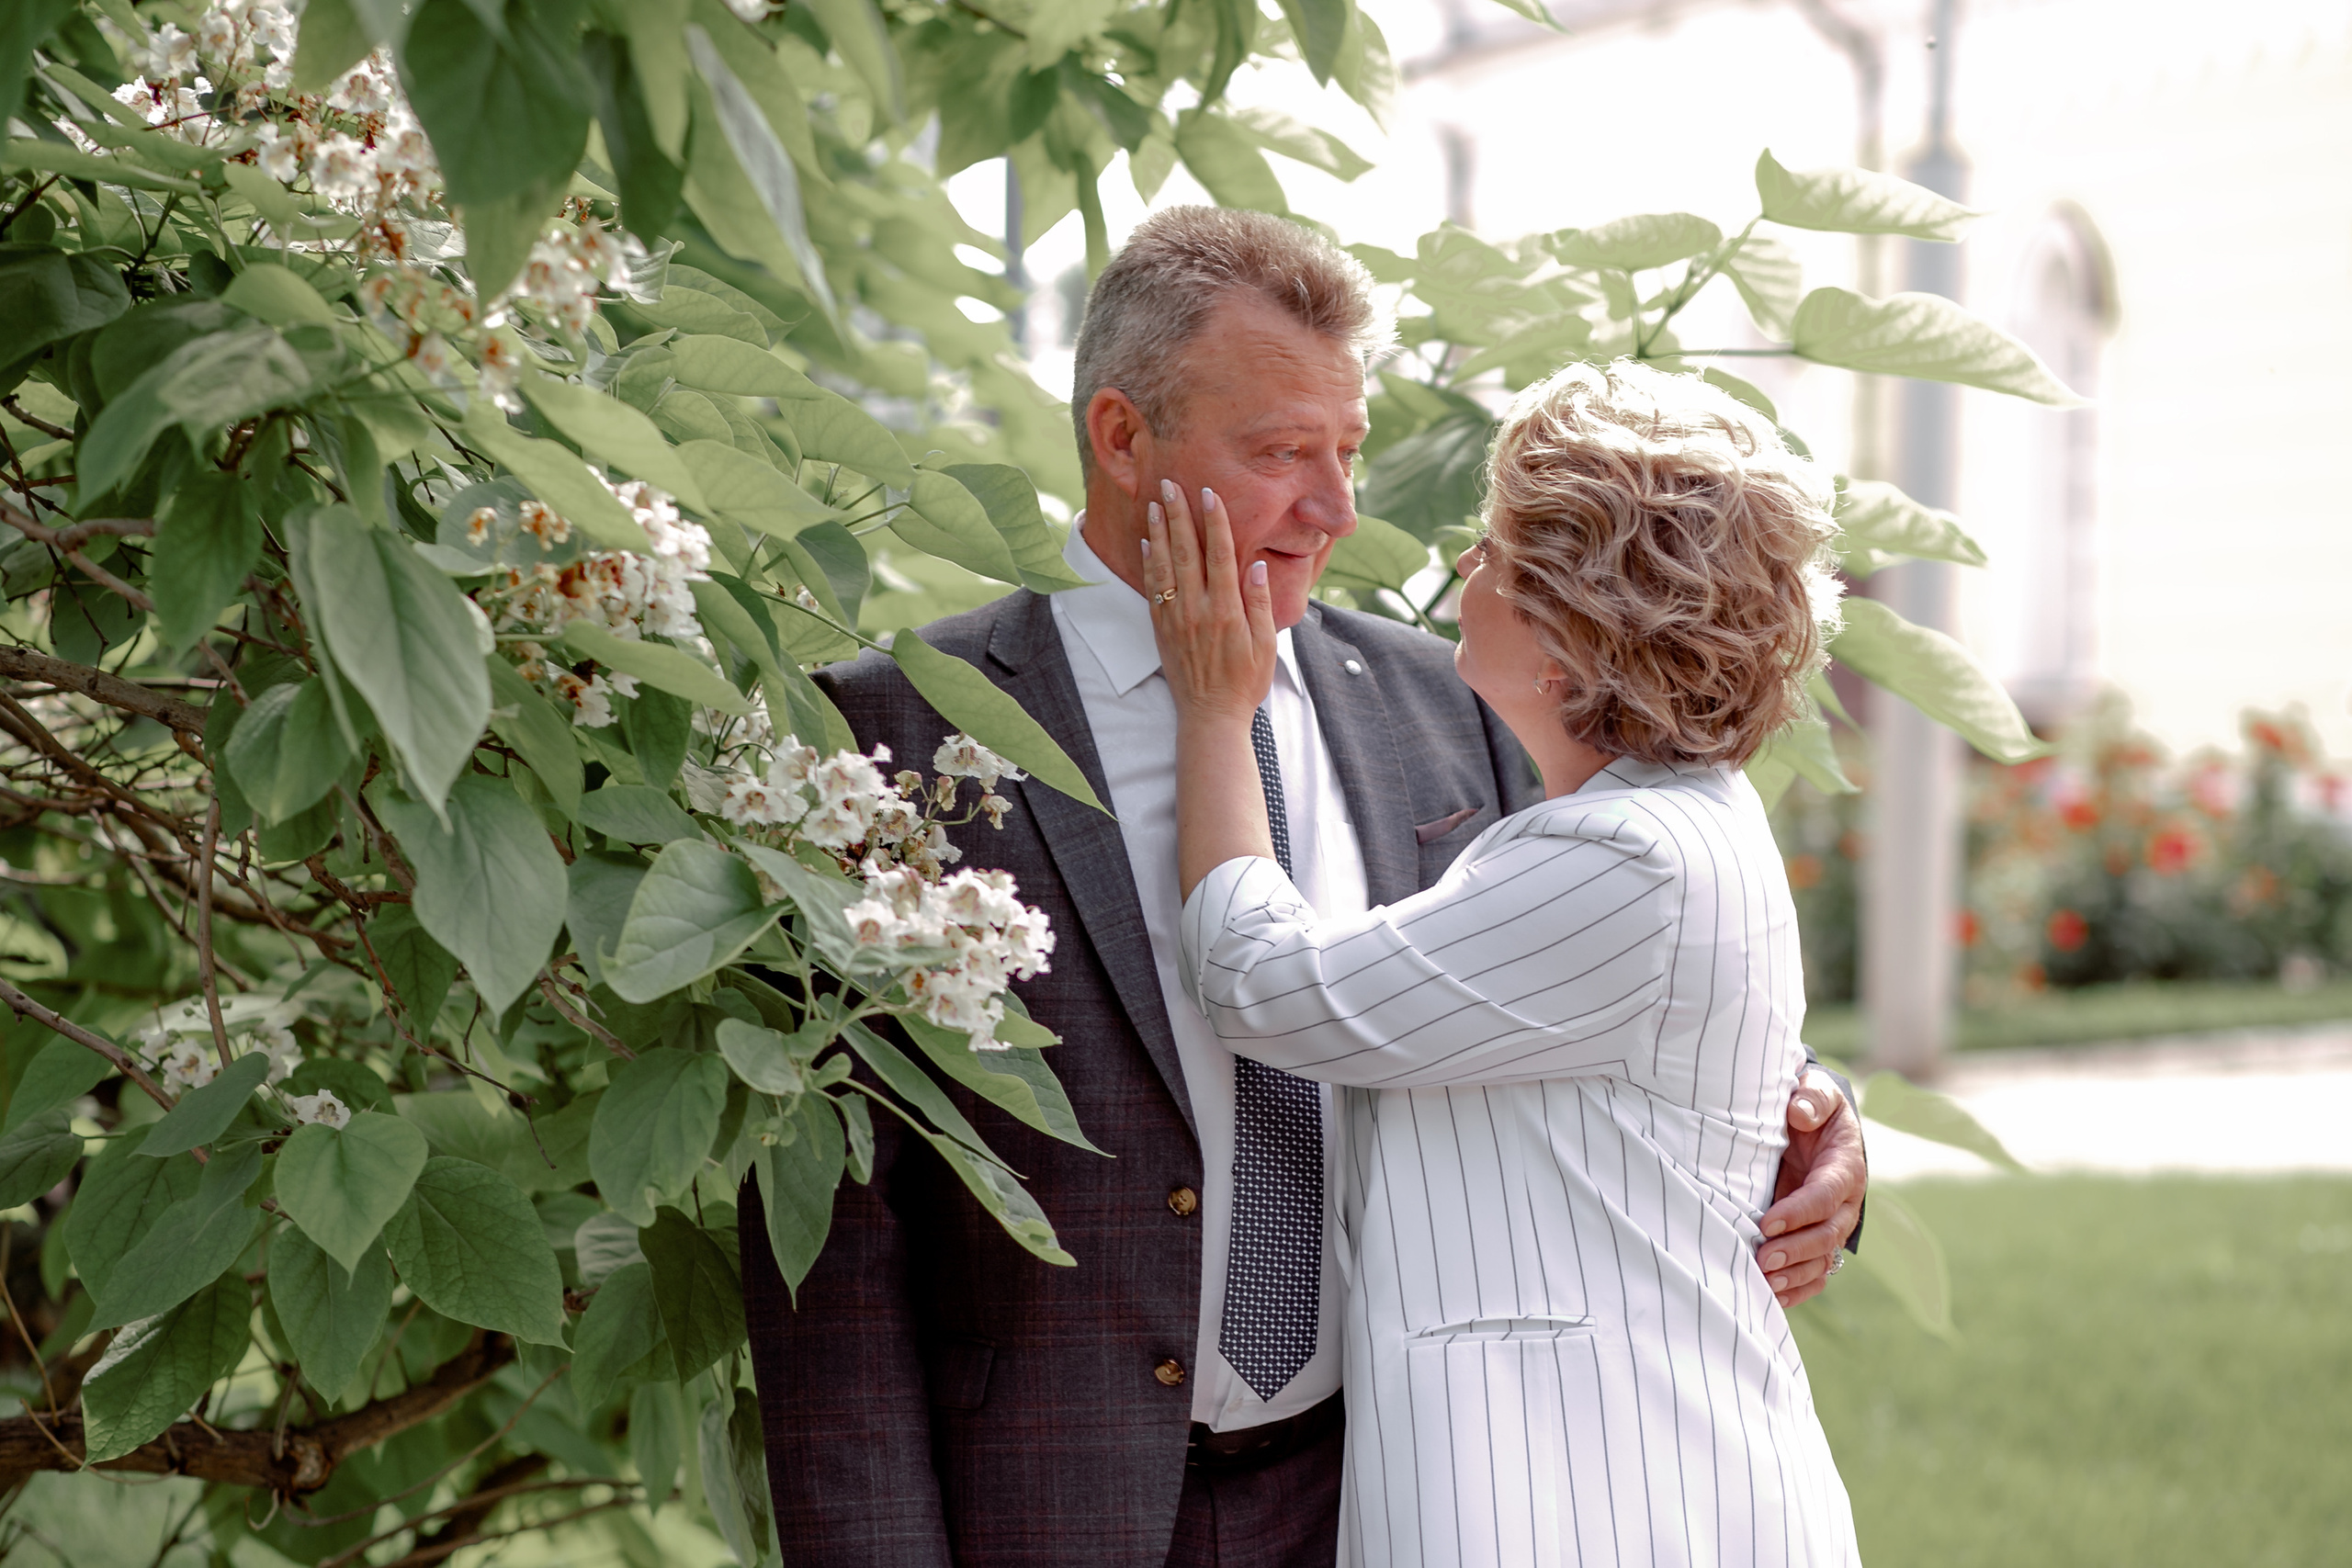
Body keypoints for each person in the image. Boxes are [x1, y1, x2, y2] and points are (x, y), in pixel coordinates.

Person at [740, 209, 1867, 1568]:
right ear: (1120, 436)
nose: (1335, 508)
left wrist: (1816, 1121)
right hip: (1041, 1503)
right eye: (1282, 455)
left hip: (1386, 1489)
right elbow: (832, 1249)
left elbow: (1616, 969)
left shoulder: (1443, 701)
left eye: (1349, 451)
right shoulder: (891, 733)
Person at [1146, 356, 1864, 1566]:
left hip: (1607, 1503)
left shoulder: (1625, 857)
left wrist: (1218, 710)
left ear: (1575, 636)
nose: (1463, 569)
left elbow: (1262, 984)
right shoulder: (1668, 826)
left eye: (1494, 552)